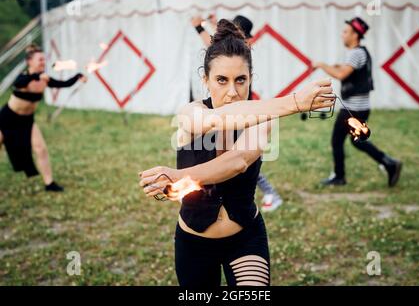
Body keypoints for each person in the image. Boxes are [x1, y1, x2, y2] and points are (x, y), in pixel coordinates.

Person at [139, 19, 335, 287]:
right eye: (221, 80)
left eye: (241, 80)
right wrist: (293, 102)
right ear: (205, 80)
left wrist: (178, 176)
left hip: (244, 238)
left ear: (251, 79)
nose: (232, 91)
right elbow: (215, 120)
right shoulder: (190, 113)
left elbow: (238, 161)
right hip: (193, 242)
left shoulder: (263, 117)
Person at [191, 14, 284, 212]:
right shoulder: (232, 54)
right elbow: (216, 46)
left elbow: (211, 45)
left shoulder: (241, 55)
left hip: (241, 116)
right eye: (222, 80)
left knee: (240, 162)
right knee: (231, 163)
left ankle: (270, 194)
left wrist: (199, 27)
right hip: (228, 114)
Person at [313, 17, 402, 187]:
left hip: (353, 109)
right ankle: (388, 163)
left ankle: (340, 177)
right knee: (358, 141)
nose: (342, 35)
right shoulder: (361, 52)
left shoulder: (356, 53)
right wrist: (336, 66)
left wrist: (322, 65)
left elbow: (341, 75)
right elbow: (348, 70)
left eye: (346, 32)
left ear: (355, 35)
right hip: (360, 107)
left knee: (338, 141)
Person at [0, 44, 87, 192]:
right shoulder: (24, 77)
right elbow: (20, 83)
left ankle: (49, 183)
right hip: (8, 117)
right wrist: (36, 76)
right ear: (30, 62)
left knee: (40, 149)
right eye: (39, 59)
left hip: (27, 120)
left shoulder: (44, 80)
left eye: (44, 60)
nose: (43, 62)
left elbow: (63, 84)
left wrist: (77, 76)